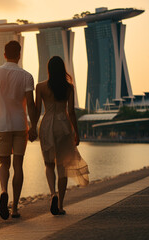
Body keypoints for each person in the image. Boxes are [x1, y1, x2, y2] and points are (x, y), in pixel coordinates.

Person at [0, 40, 37, 220]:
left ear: (4, 54)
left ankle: (3, 190)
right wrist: (34, 126)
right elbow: (30, 103)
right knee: (18, 166)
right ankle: (14, 209)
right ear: (19, 55)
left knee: (4, 163)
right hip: (21, 126)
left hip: (2, 126)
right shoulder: (27, 76)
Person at [35, 56, 89, 215]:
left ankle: (53, 194)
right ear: (62, 69)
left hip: (47, 125)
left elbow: (38, 110)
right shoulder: (69, 87)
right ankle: (60, 206)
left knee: (48, 164)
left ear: (49, 70)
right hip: (63, 126)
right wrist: (77, 133)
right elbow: (71, 112)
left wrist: (32, 127)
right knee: (62, 167)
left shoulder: (40, 87)